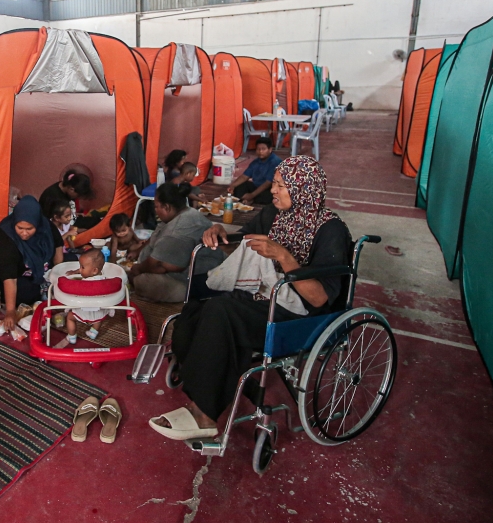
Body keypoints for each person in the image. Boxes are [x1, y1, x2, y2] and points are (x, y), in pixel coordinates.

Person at [149, 156, 351, 441]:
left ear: (302, 189)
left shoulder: (331, 231)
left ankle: (205, 414)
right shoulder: (275, 214)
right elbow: (244, 240)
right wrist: (220, 231)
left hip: (300, 314)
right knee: (197, 308)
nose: (273, 190)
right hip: (267, 295)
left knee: (222, 312)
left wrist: (284, 256)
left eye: (281, 185)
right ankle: (201, 375)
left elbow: (319, 299)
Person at [128, 183, 224, 303]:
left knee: (142, 282)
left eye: (156, 206)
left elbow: (158, 266)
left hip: (196, 279)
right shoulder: (187, 212)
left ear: (166, 207)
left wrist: (138, 268)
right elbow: (157, 234)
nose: (155, 210)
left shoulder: (176, 232)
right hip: (202, 269)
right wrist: (139, 250)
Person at [0, 195, 64, 330]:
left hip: (43, 271)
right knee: (25, 295)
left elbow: (58, 249)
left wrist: (56, 278)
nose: (24, 233)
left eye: (29, 229)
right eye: (20, 228)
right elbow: (9, 279)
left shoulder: (46, 227)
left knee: (73, 265)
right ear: (14, 222)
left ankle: (44, 293)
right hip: (15, 277)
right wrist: (11, 312)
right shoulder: (5, 240)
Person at [58, 249, 112, 346]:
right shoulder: (104, 280)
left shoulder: (82, 285)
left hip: (82, 312)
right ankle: (93, 332)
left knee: (70, 317)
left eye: (82, 267)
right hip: (99, 313)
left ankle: (72, 336)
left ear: (94, 271)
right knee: (99, 318)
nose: (80, 269)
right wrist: (75, 271)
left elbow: (74, 295)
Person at [227, 136, 281, 205]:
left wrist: (252, 195)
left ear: (270, 150)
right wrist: (232, 186)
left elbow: (268, 183)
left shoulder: (275, 162)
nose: (260, 151)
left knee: (272, 196)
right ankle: (249, 199)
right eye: (258, 149)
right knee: (239, 186)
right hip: (256, 186)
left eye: (263, 149)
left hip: (269, 189)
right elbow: (244, 177)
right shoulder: (255, 162)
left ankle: (249, 198)